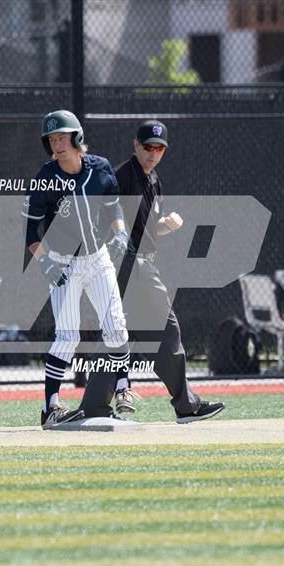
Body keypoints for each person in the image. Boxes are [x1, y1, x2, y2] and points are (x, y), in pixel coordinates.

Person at [79, 120, 225, 423]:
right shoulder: (123, 176)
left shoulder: (153, 180)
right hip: (129, 265)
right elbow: (101, 217)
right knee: (167, 330)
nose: (153, 153)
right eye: (148, 146)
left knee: (117, 337)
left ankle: (93, 407)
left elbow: (143, 227)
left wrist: (166, 225)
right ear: (136, 145)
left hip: (136, 264)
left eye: (159, 148)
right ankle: (187, 405)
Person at [22, 109, 138, 429]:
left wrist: (119, 231)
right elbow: (31, 233)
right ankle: (51, 407)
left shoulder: (99, 169)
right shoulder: (46, 177)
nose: (57, 144)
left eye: (62, 137)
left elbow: (113, 205)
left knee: (115, 324)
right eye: (52, 139)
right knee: (68, 335)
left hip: (97, 257)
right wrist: (44, 261)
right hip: (61, 261)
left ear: (77, 138)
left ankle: (123, 388)